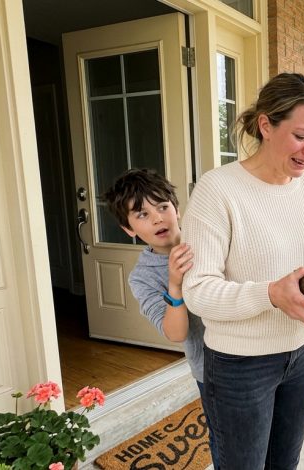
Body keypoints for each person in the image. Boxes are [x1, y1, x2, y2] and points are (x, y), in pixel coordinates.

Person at [180, 72, 304, 469]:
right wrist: (269, 294)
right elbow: (198, 291)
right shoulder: (217, 189)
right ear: (266, 125)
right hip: (240, 365)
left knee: (285, 464)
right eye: (302, 136)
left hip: (302, 353)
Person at [101, 168, 220, 469]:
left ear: (177, 209)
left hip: (252, 351)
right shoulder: (142, 277)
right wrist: (175, 284)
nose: (157, 218)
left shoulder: (207, 238)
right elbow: (176, 333)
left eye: (163, 206)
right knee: (227, 441)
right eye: (142, 214)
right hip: (212, 370)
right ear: (128, 228)